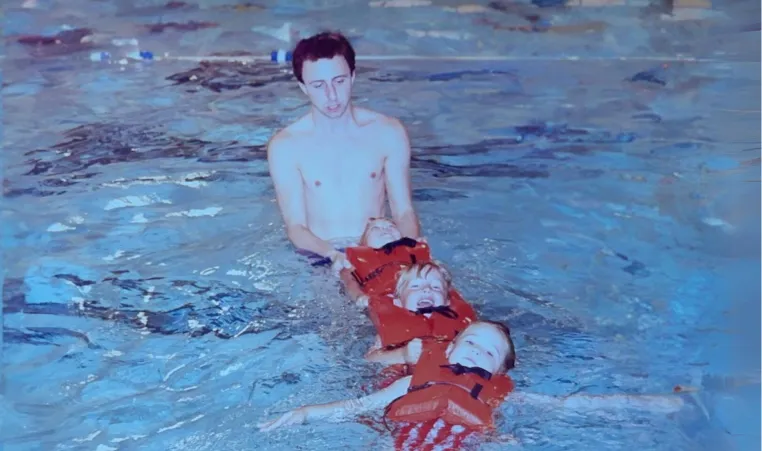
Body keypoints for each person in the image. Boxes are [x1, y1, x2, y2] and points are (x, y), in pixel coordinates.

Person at [258, 321, 685, 444]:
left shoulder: (501, 397)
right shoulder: (413, 385)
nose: (479, 350)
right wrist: (302, 415)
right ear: (450, 350)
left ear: (499, 373)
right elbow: (354, 408)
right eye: (473, 341)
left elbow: (577, 406)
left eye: (490, 351)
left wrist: (646, 403)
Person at [267, 31, 421, 272]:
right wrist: (333, 256)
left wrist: (410, 253)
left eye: (338, 81)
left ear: (353, 77)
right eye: (318, 85)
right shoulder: (286, 146)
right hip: (319, 257)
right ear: (303, 88)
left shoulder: (388, 132)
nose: (331, 95)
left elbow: (403, 211)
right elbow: (296, 227)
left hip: (380, 252)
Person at [363, 262, 477, 366]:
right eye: (415, 286)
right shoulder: (388, 326)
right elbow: (369, 358)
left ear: (447, 302)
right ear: (398, 301)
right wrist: (402, 355)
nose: (427, 289)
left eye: (436, 287)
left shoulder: (462, 329)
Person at [339, 217, 432, 305]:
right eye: (375, 228)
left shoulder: (413, 254)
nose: (385, 229)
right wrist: (360, 297)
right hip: (381, 301)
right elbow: (349, 282)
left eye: (391, 226)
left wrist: (428, 258)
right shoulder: (355, 261)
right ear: (363, 244)